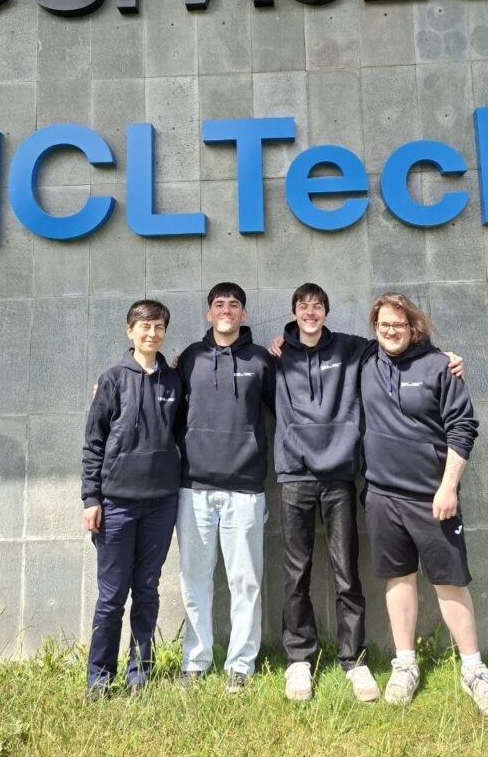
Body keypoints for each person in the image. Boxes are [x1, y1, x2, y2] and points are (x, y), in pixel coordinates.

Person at [271, 283, 464, 703]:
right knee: (295, 572)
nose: (310, 312)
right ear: (294, 312)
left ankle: (353, 659)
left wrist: (441, 357)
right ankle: (299, 659)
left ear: (326, 311)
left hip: (341, 475)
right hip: (294, 477)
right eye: (303, 306)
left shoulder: (352, 348)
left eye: (317, 305)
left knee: (346, 572)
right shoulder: (277, 356)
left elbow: (398, 345)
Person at [360, 292, 488, 717]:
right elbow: (318, 341)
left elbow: (463, 426)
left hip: (433, 498)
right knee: (398, 579)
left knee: (450, 581)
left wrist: (448, 488)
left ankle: (474, 670)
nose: (390, 331)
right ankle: (405, 665)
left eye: (398, 324)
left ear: (413, 327)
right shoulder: (365, 360)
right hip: (382, 496)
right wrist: (281, 342)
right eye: (384, 324)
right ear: (375, 327)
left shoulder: (440, 366)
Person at [175, 282, 275, 693]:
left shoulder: (261, 361)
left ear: (244, 314)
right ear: (209, 313)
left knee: (245, 583)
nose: (227, 310)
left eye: (234, 305)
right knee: (194, 579)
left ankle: (240, 665)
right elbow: (162, 401)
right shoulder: (189, 359)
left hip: (246, 489)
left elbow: (287, 407)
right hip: (194, 488)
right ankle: (195, 661)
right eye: (219, 304)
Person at [81, 298, 184, 697]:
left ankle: (139, 674)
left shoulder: (174, 381)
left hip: (161, 502)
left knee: (146, 591)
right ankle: (99, 677)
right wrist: (91, 498)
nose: (152, 333)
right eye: (145, 326)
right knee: (111, 597)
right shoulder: (112, 379)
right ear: (130, 331)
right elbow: (94, 442)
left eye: (158, 327)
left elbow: (182, 433)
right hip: (116, 505)